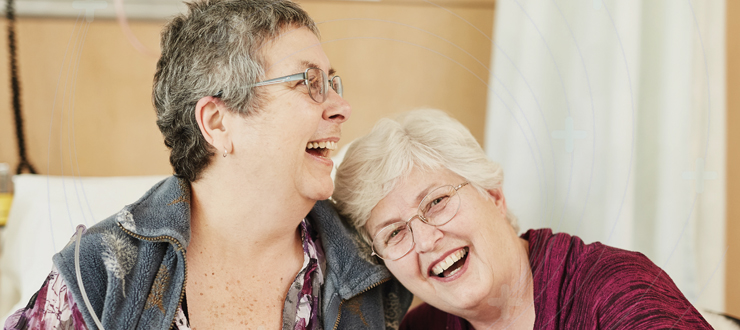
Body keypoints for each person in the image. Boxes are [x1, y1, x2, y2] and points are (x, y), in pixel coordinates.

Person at [3, 0, 411, 329]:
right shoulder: (101, 275)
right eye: (308, 83)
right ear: (217, 123)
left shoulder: (377, 266)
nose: (342, 107)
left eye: (332, 84)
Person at [332, 109, 712, 329]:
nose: (426, 240)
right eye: (395, 233)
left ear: (493, 196)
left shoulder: (614, 290)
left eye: (436, 202)